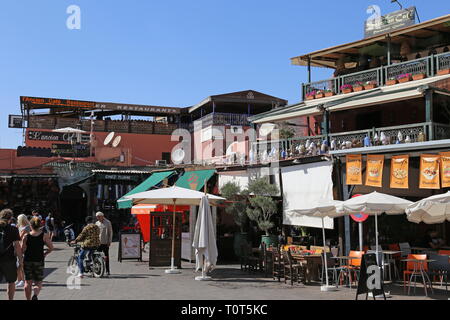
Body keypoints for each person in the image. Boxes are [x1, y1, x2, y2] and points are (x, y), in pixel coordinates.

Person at [21, 217, 53, 300]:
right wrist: (45, 254)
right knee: (38, 281)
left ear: (30, 225)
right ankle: (35, 295)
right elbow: (51, 248)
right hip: (39, 260)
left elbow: (22, 249)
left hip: (27, 260)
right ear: (40, 226)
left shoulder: (26, 236)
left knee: (28, 282)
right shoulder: (44, 235)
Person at [0, 209, 23, 300]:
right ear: (10, 219)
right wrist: (20, 260)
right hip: (9, 259)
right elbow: (17, 246)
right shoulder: (13, 229)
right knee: (11, 282)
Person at [16, 214, 31, 288]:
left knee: (21, 264)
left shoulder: (27, 227)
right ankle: (20, 280)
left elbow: (19, 237)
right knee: (19, 264)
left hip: (24, 247)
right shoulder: (20, 226)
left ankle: (23, 280)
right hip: (19, 246)